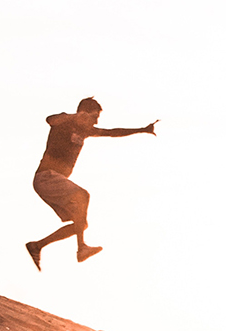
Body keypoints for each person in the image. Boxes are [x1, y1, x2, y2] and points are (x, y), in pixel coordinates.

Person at [26, 97, 157, 270]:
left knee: (81, 224)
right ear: (84, 113)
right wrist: (74, 116)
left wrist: (142, 129)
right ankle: (82, 248)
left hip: (55, 181)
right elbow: (50, 119)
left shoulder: (85, 130)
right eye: (94, 117)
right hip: (46, 177)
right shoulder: (64, 122)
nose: (95, 122)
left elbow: (113, 132)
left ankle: (37, 246)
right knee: (83, 195)